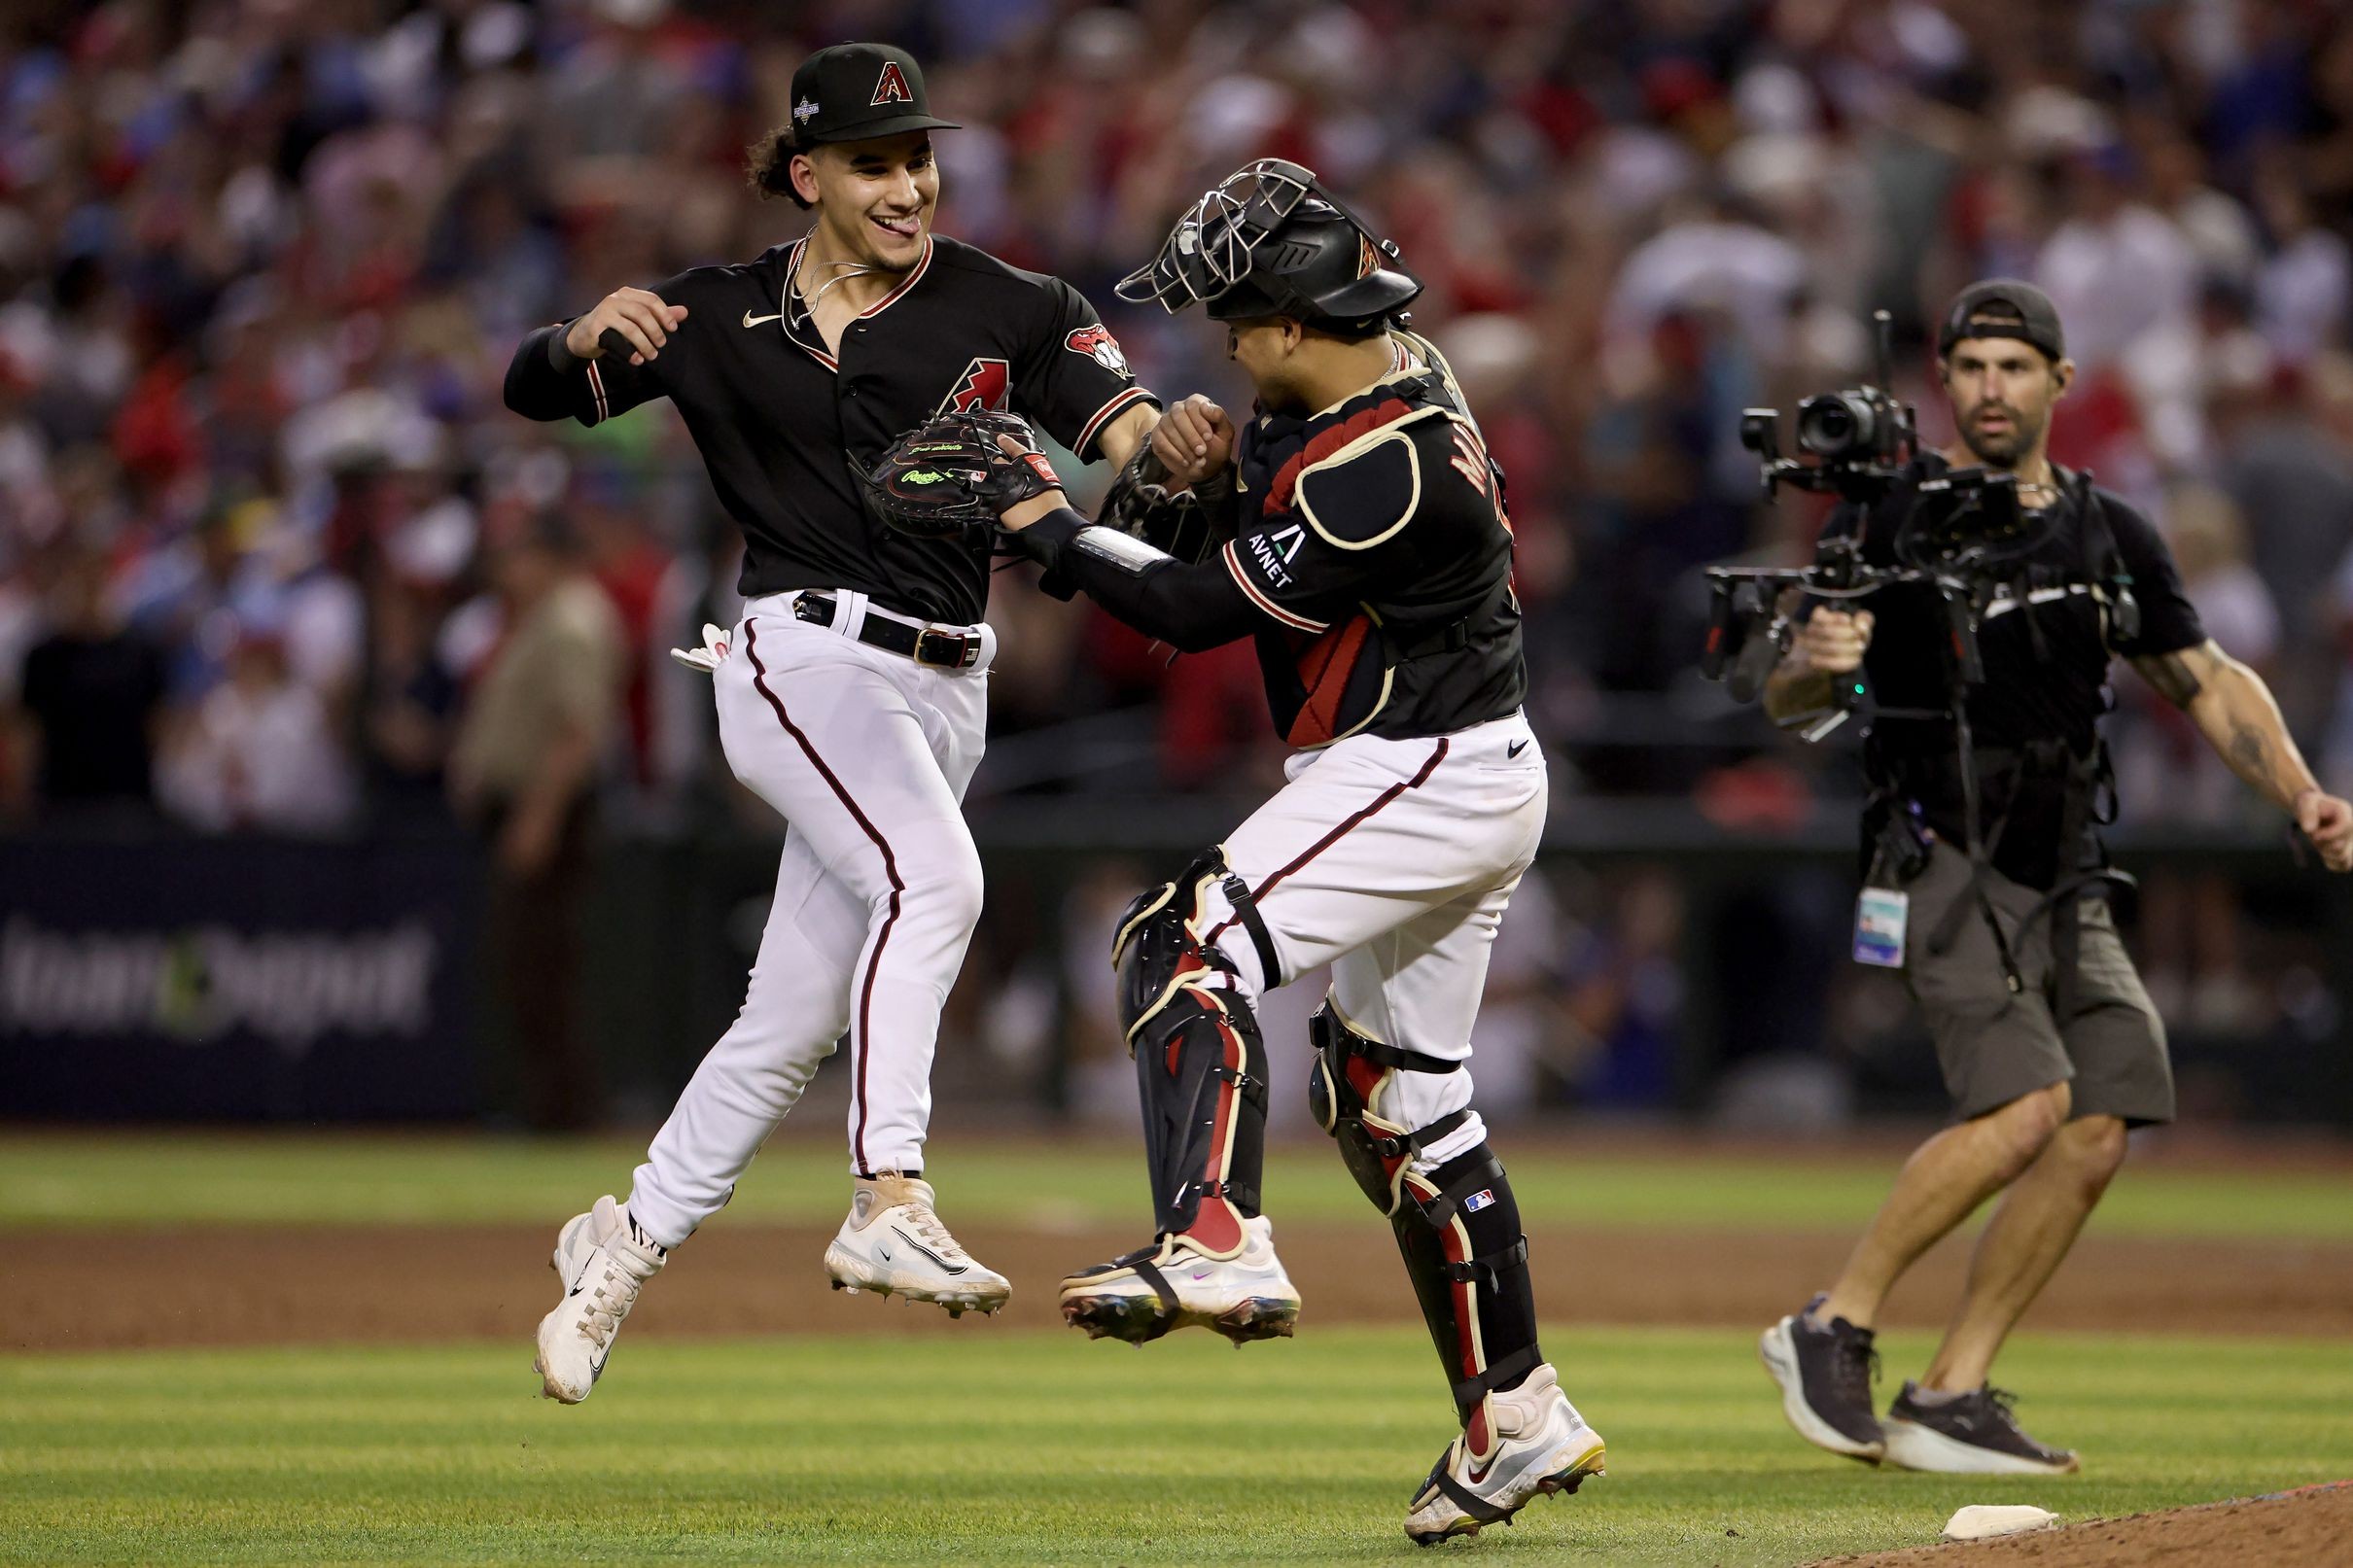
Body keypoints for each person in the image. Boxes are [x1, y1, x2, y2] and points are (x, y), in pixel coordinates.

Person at [501, 42, 1158, 1403]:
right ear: (807, 173)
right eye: (876, 160)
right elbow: (539, 392)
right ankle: (888, 1194)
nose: (910, 182)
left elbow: (1120, 417)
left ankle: (619, 1241)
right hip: (799, 657)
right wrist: (570, 342)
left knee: (790, 1015)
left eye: (920, 155)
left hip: (946, 683)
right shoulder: (714, 313)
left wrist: (1174, 441)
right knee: (940, 877)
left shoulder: (1005, 300)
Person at [990, 160, 1604, 1546]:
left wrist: (1045, 521)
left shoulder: (1388, 458)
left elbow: (1203, 614)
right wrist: (1190, 466)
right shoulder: (1366, 378)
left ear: (1293, 317)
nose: (1226, 342)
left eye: (1237, 319)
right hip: (1449, 763)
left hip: (1421, 766)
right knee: (1396, 1101)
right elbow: (1238, 512)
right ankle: (1517, 1408)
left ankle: (1214, 1233)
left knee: (1177, 940)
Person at [1756, 280, 2353, 1475]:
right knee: (2024, 1107)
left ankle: (1951, 1388)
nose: (1988, 387)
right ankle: (1830, 1321)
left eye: (2012, 367)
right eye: (1969, 365)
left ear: (2057, 384)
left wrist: (2296, 788)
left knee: (2097, 1119)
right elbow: (1786, 694)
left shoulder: (2105, 530)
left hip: (2064, 865)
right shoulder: (1890, 519)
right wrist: (1819, 664)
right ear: (1943, 380)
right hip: (1938, 850)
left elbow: (2205, 676)